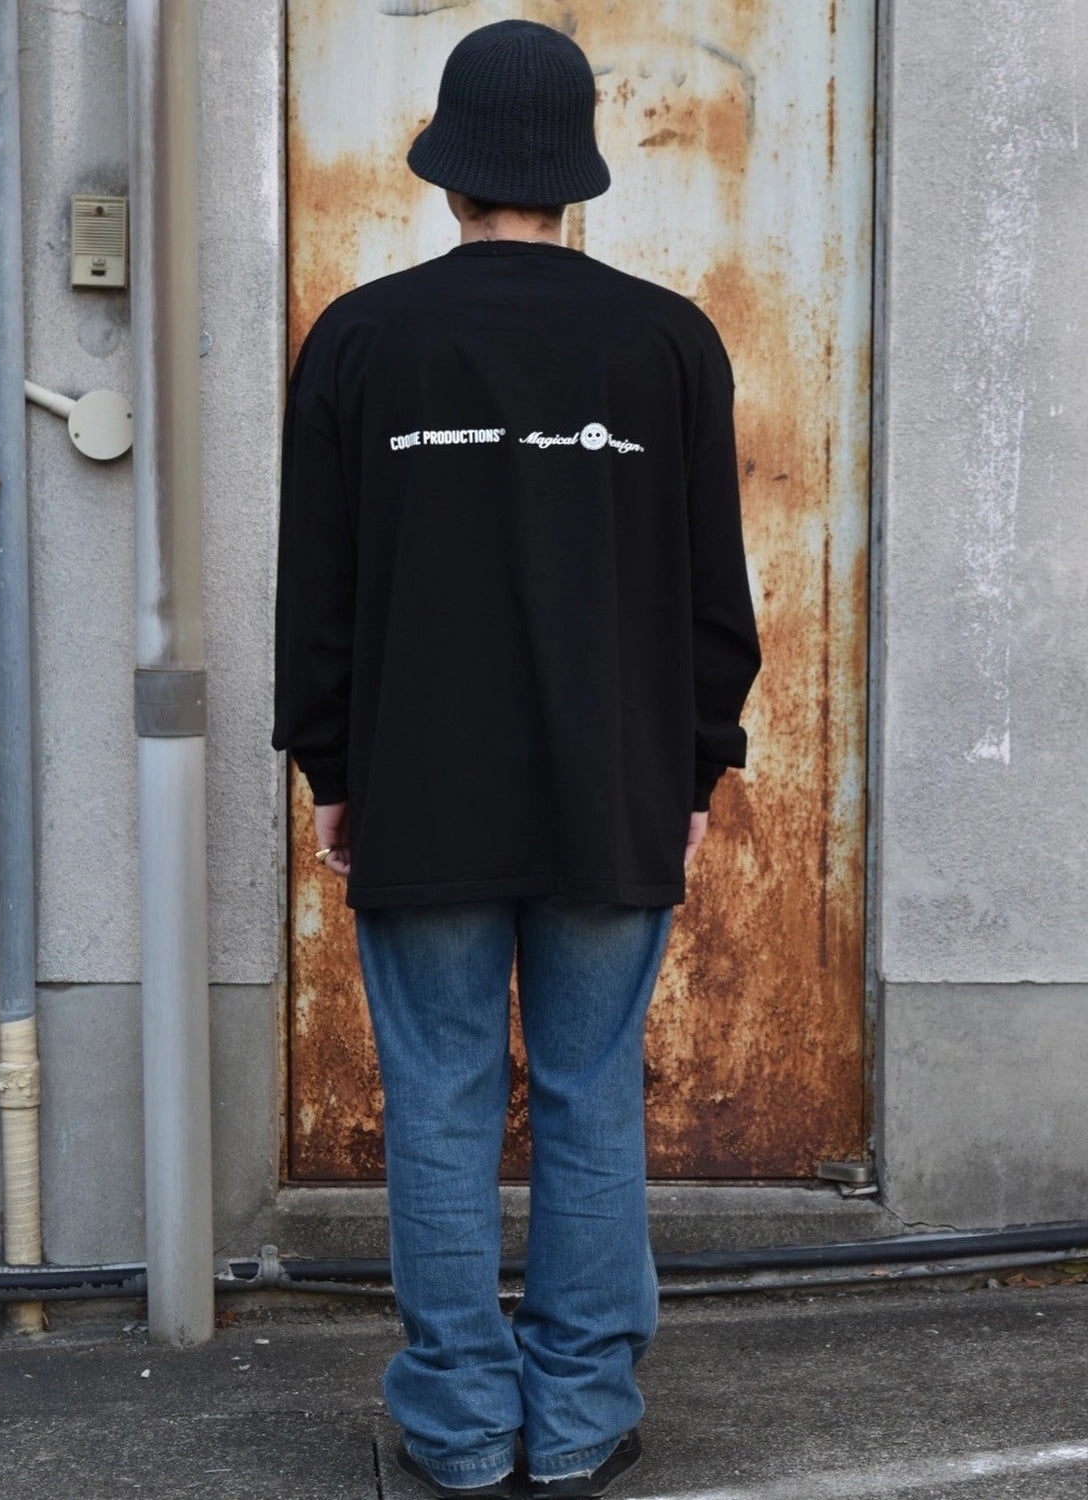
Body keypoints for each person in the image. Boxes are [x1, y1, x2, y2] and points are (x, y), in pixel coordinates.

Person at [274, 19, 761, 1498]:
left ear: (450, 170)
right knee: (590, 1094)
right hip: (614, 790)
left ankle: (462, 1427)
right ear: (573, 176)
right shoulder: (669, 342)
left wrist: (333, 771)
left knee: (437, 1098)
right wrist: (695, 770)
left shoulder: (360, 340)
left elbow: (319, 594)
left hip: (421, 791)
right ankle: (580, 1416)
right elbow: (714, 600)